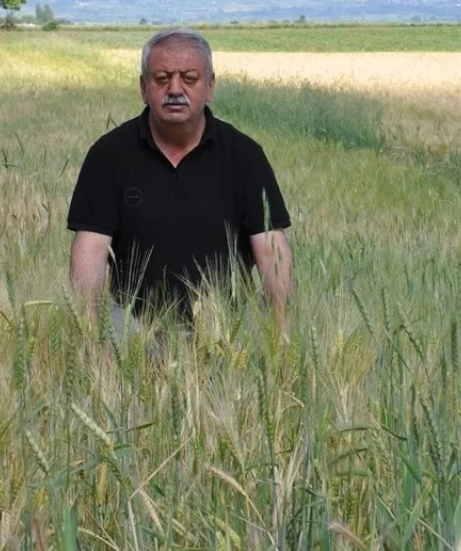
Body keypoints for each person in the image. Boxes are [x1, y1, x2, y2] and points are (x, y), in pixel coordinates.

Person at [66, 27, 293, 335]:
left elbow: (270, 251)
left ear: (210, 86)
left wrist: (280, 336)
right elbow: (90, 252)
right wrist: (90, 335)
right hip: (133, 328)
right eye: (161, 79)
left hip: (228, 330)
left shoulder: (244, 156)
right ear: (144, 88)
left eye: (189, 78)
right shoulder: (108, 155)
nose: (174, 89)